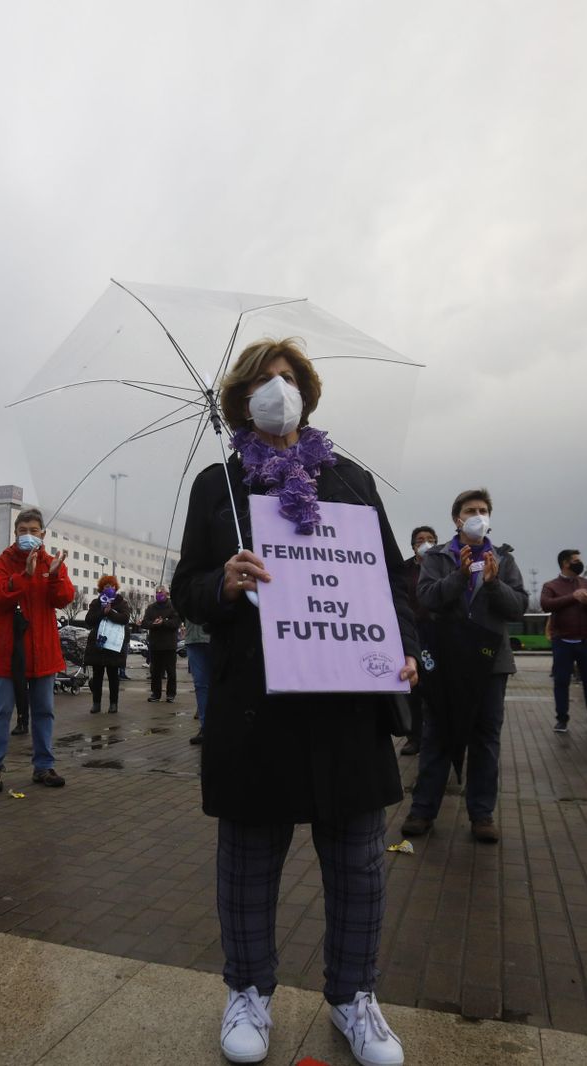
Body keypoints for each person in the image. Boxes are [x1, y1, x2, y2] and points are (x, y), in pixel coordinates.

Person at [171, 338, 413, 1066]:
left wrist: (404, 646)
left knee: (359, 863)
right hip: (257, 704)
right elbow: (186, 588)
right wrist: (224, 582)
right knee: (247, 862)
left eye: (290, 379)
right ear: (241, 401)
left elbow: (395, 581)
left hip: (347, 696)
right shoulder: (218, 486)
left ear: (308, 392)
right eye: (263, 382)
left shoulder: (351, 479)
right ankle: (248, 991)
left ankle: (354, 997)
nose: (279, 390)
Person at [403, 488, 527, 844]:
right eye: (471, 509)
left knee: (485, 739)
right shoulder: (438, 558)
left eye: (484, 509)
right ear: (456, 517)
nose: (478, 515)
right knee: (437, 735)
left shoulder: (503, 558)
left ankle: (482, 814)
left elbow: (517, 607)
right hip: (447, 662)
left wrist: (493, 584)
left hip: (491, 664)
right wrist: (458, 577)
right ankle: (422, 810)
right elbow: (426, 598)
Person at [0, 508, 73, 793]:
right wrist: (24, 575)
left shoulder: (52, 563)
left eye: (34, 530)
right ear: (15, 533)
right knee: (0, 711)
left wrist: (54, 576)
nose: (29, 535)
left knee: (44, 711)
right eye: (23, 530)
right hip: (9, 652)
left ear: (43, 534)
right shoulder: (1, 563)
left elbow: (64, 598)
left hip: (43, 652)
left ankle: (43, 766)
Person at [541, 548, 587, 735]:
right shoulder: (551, 585)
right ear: (565, 563)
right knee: (561, 682)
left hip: (586, 641)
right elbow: (546, 604)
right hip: (562, 642)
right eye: (575, 560)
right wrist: (573, 597)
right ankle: (561, 719)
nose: (579, 563)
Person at [400, 525, 441, 755]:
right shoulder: (404, 568)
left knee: (434, 685)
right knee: (412, 687)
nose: (425, 543)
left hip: (436, 633)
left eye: (430, 539)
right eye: (419, 540)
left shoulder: (444, 565)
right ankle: (413, 736)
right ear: (413, 545)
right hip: (411, 633)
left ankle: (434, 735)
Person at [84, 575, 131, 714]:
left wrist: (110, 612)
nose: (108, 588)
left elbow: (125, 619)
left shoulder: (122, 603)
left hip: (114, 644)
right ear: (101, 588)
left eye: (111, 586)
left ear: (115, 587)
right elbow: (89, 620)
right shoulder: (96, 603)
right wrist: (101, 612)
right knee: (97, 676)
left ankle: (113, 704)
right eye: (106, 586)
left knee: (113, 676)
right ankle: (96, 703)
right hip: (98, 644)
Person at [141, 584, 181, 702]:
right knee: (155, 672)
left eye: (161, 592)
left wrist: (164, 623)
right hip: (155, 645)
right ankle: (155, 693)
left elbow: (176, 623)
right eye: (157, 592)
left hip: (169, 645)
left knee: (171, 672)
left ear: (166, 593)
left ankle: (171, 694)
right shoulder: (151, 608)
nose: (159, 594)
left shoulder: (173, 606)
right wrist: (153, 624)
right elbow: (145, 623)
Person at [185, 618, 211, 744]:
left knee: (220, 683)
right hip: (193, 639)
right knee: (200, 685)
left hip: (215, 637)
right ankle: (205, 727)